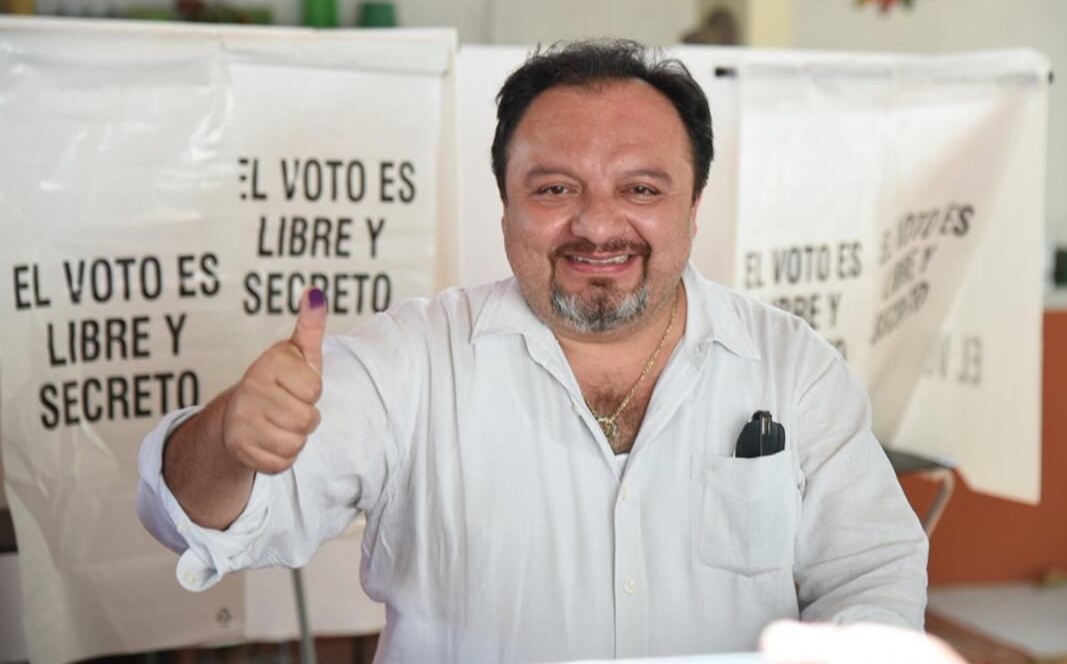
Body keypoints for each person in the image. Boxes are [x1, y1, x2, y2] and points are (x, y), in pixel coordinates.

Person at [137, 39, 928, 662]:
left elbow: (869, 572)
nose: (596, 224)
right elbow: (195, 520)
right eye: (554, 188)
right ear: (506, 205)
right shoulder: (410, 362)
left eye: (641, 189)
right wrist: (231, 442)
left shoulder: (791, 365)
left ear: (693, 207)